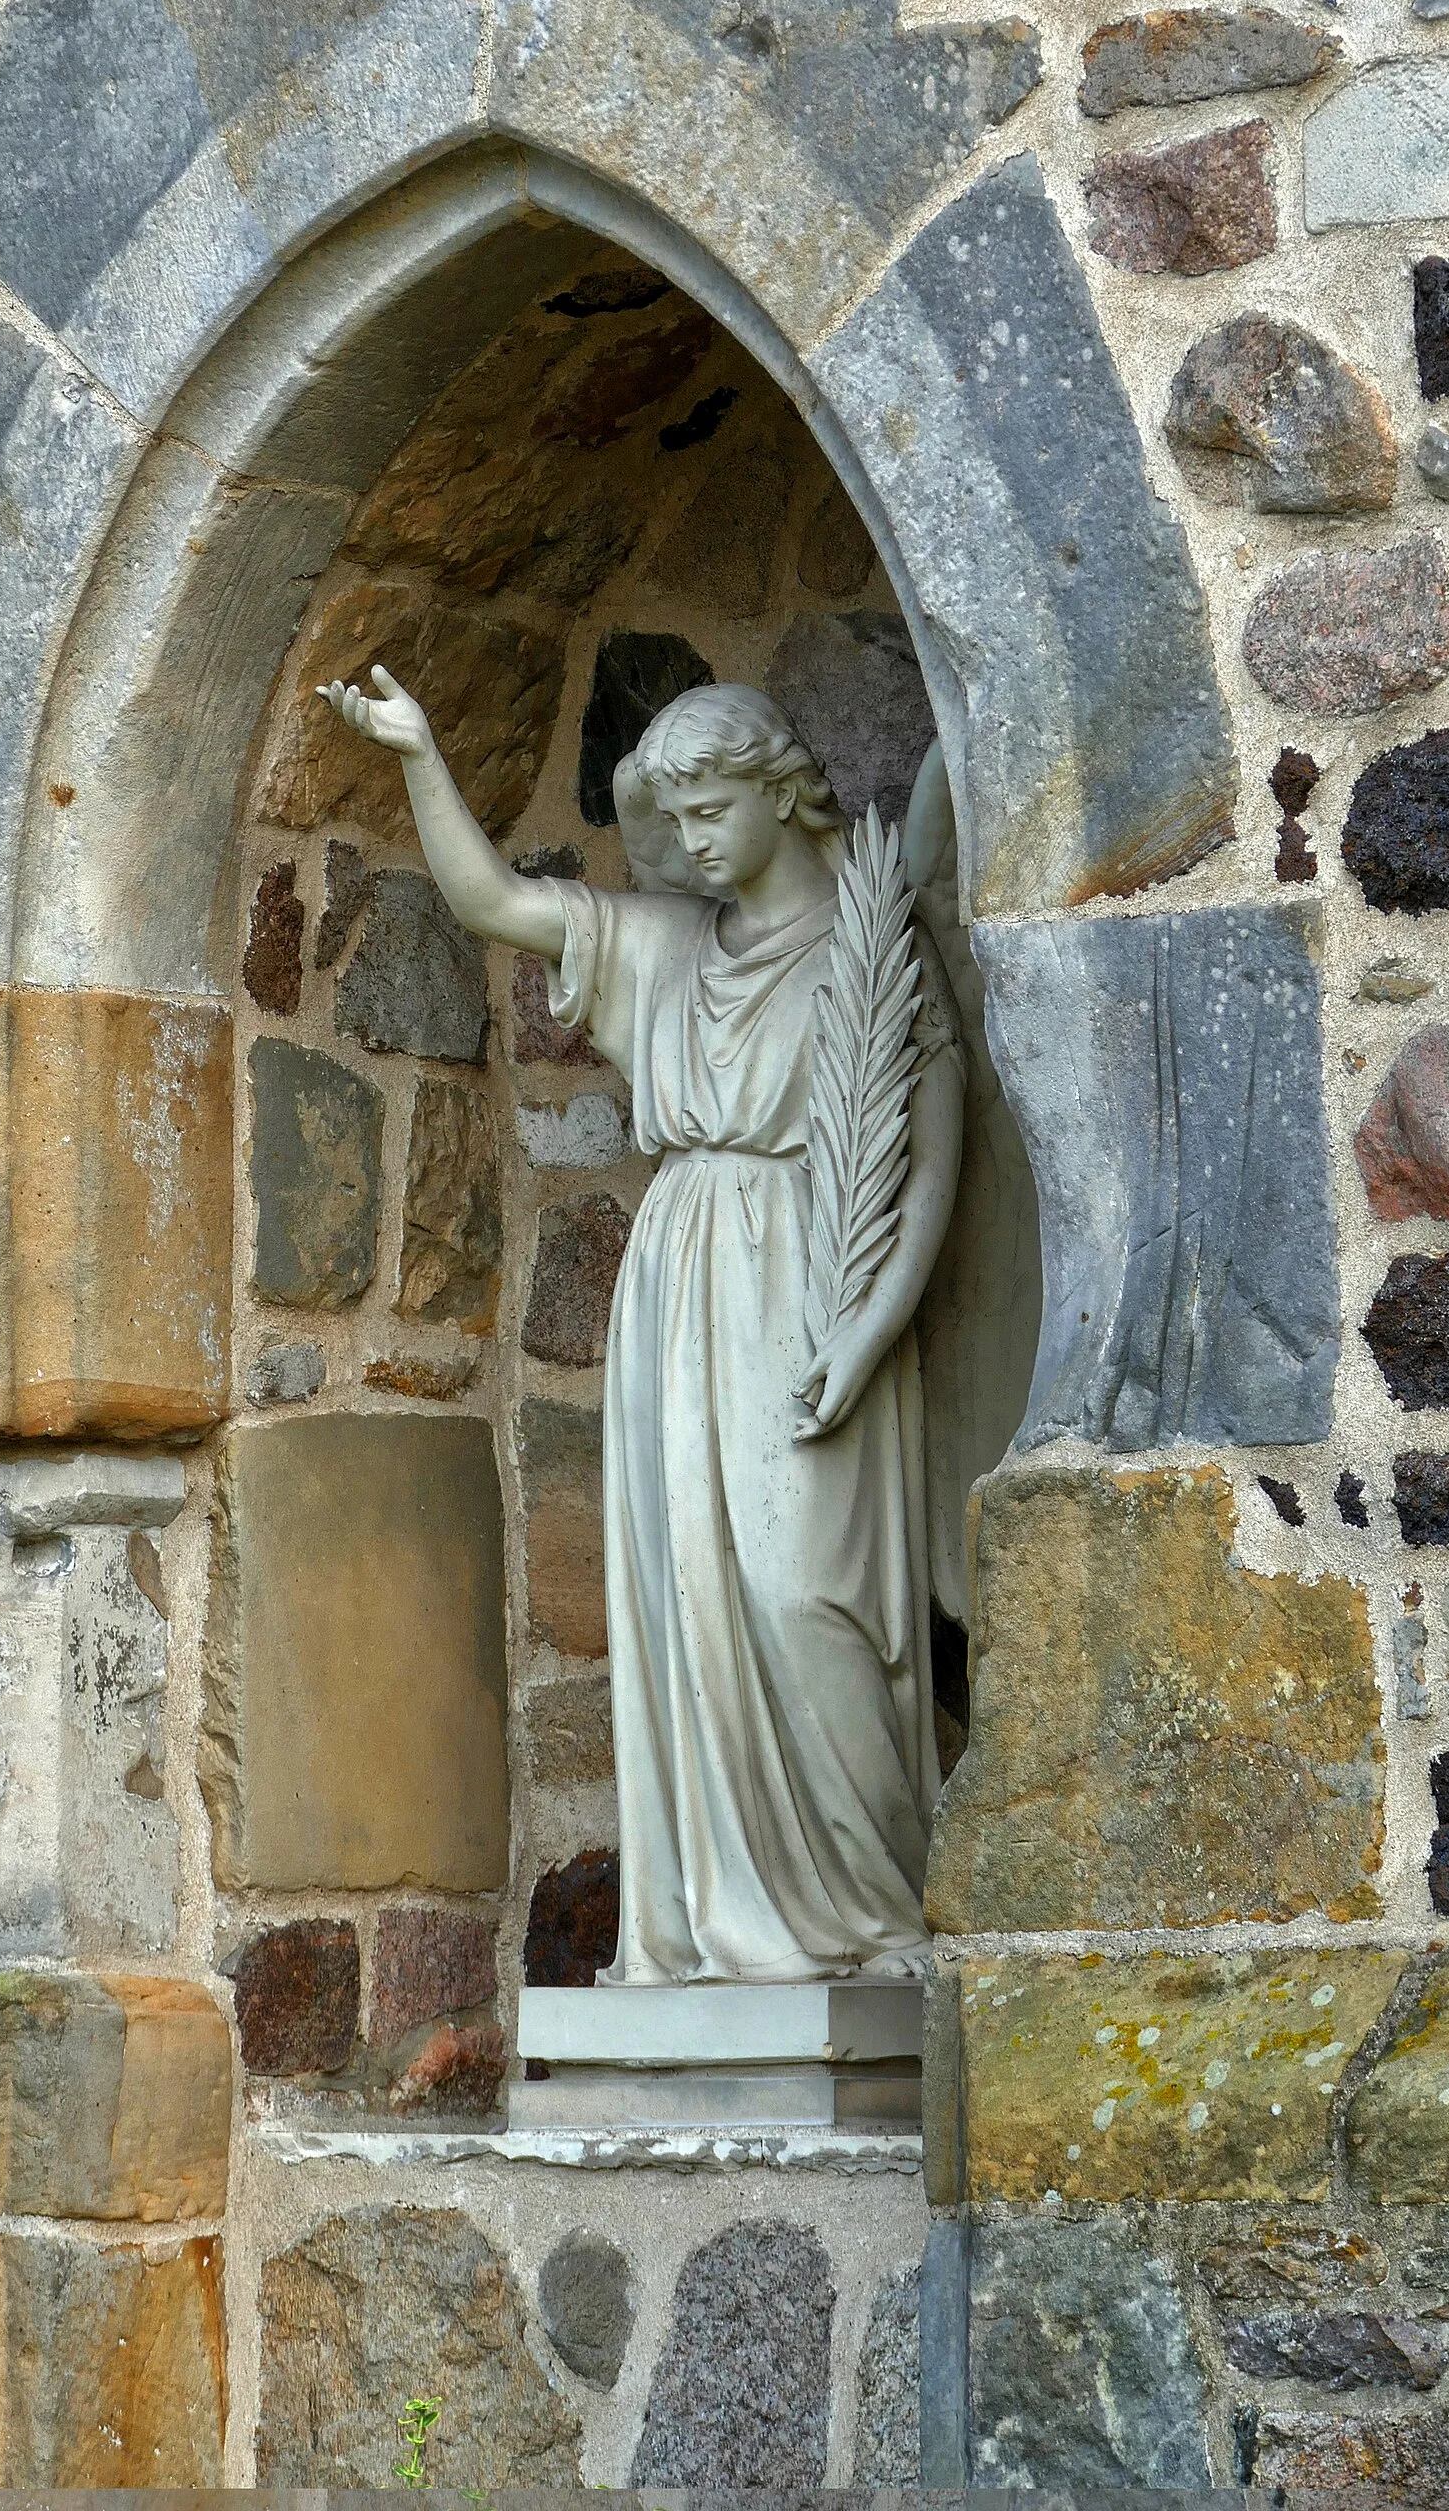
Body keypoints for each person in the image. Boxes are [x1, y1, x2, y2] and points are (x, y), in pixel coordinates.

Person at [319, 665, 964, 1982]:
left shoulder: (871, 942)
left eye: (717, 804)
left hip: (819, 1286)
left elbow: (936, 1169)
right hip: (683, 1289)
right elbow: (492, 902)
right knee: (695, 1606)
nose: (696, 838)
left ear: (784, 793)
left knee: (804, 1599)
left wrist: (873, 1326)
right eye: (677, 816)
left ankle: (866, 1914)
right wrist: (420, 753)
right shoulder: (669, 943)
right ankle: (714, 1936)